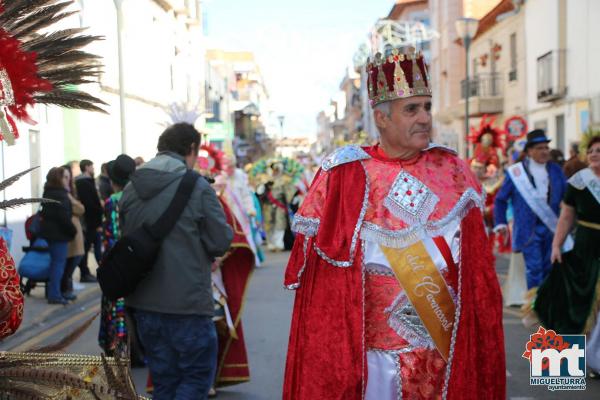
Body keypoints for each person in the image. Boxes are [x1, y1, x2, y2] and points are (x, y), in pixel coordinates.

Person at [283, 48, 505, 399]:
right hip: (373, 359)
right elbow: (323, 289)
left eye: (427, 107)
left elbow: (478, 271)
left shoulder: (453, 171)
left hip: (443, 347)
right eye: (411, 109)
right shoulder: (346, 175)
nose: (424, 119)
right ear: (381, 118)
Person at [121, 123, 233, 399]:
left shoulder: (131, 187)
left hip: (143, 303)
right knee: (195, 379)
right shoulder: (195, 185)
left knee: (164, 381)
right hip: (187, 304)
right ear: (191, 149)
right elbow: (220, 240)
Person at [534, 134, 600, 375]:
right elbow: (566, 216)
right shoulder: (579, 182)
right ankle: (579, 362)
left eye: (599, 150)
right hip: (586, 248)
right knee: (581, 303)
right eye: (591, 150)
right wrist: (556, 246)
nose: (594, 154)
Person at [494, 130, 568, 291]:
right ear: (529, 151)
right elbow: (500, 199)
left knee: (550, 269)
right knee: (534, 270)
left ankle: (546, 308)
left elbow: (567, 195)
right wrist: (500, 223)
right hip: (528, 231)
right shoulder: (516, 172)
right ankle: (534, 309)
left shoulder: (556, 170)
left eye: (546, 148)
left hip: (552, 229)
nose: (545, 151)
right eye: (540, 148)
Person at [98, 154, 138, 361]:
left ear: (113, 181)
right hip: (139, 259)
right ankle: (137, 348)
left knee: (117, 306)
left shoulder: (112, 201)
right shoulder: (141, 196)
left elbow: (112, 236)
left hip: (119, 262)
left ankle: (121, 346)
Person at [40, 167, 77, 305]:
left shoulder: (48, 192)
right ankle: (55, 295)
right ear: (58, 179)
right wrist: (73, 231)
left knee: (56, 264)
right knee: (58, 265)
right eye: (65, 177)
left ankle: (56, 292)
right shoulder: (61, 195)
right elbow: (64, 218)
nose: (68, 180)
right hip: (59, 235)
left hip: (50, 234)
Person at [74, 159, 103, 282]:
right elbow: (90, 203)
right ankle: (85, 273)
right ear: (86, 167)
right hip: (90, 222)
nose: (93, 168)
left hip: (92, 221)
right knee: (86, 248)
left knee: (95, 246)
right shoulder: (84, 182)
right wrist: (97, 220)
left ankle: (98, 271)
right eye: (92, 166)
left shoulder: (86, 181)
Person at [61, 164, 85, 301]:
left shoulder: (69, 192)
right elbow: (80, 209)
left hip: (74, 231)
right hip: (70, 232)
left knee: (74, 258)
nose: (67, 179)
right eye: (65, 176)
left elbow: (81, 209)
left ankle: (67, 287)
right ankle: (65, 288)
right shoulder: (65, 194)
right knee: (71, 260)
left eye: (68, 176)